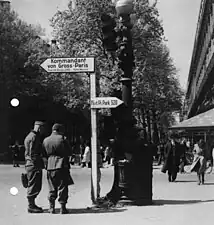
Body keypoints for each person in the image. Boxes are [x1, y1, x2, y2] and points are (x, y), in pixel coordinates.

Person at [43, 123, 73, 214]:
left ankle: (51, 207)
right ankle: (62, 207)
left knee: (51, 187)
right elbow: (69, 152)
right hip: (61, 164)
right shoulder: (63, 139)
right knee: (63, 186)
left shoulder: (46, 140)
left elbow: (43, 154)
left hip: (50, 165)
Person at [24, 121, 47, 213]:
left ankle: (32, 204)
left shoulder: (29, 136)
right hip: (33, 165)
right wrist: (38, 164)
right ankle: (31, 206)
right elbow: (32, 153)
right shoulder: (34, 137)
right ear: (39, 128)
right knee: (34, 185)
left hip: (29, 164)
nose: (43, 131)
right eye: (42, 128)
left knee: (33, 184)